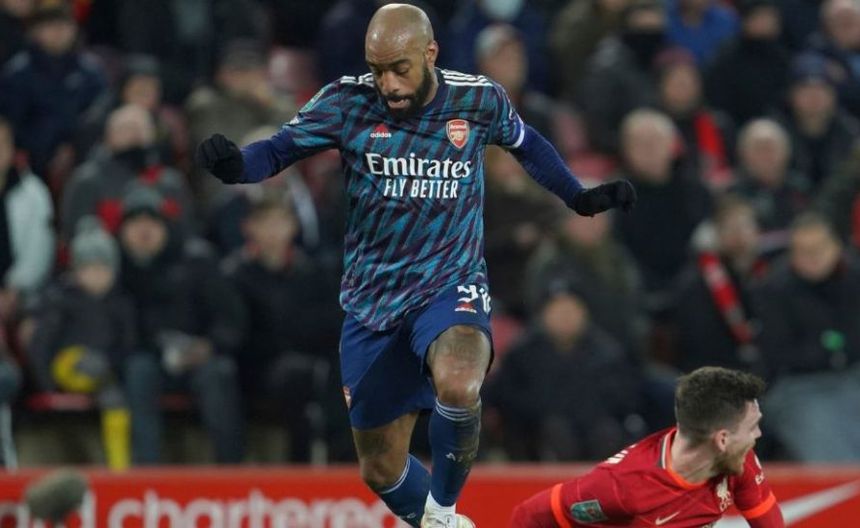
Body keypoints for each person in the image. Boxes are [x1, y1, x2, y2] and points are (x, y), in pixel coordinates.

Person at [195, 4, 636, 527]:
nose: (387, 84)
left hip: (450, 283)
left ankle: (443, 512)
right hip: (373, 301)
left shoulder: (478, 99)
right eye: (377, 69)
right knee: (380, 466)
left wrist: (577, 197)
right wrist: (237, 166)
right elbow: (279, 150)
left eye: (399, 68)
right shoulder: (346, 102)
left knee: (459, 382)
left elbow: (528, 145)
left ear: (430, 53)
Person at [510, 366, 785, 527]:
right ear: (722, 439)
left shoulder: (739, 461)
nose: (758, 434)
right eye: (752, 426)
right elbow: (529, 515)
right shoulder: (622, 485)